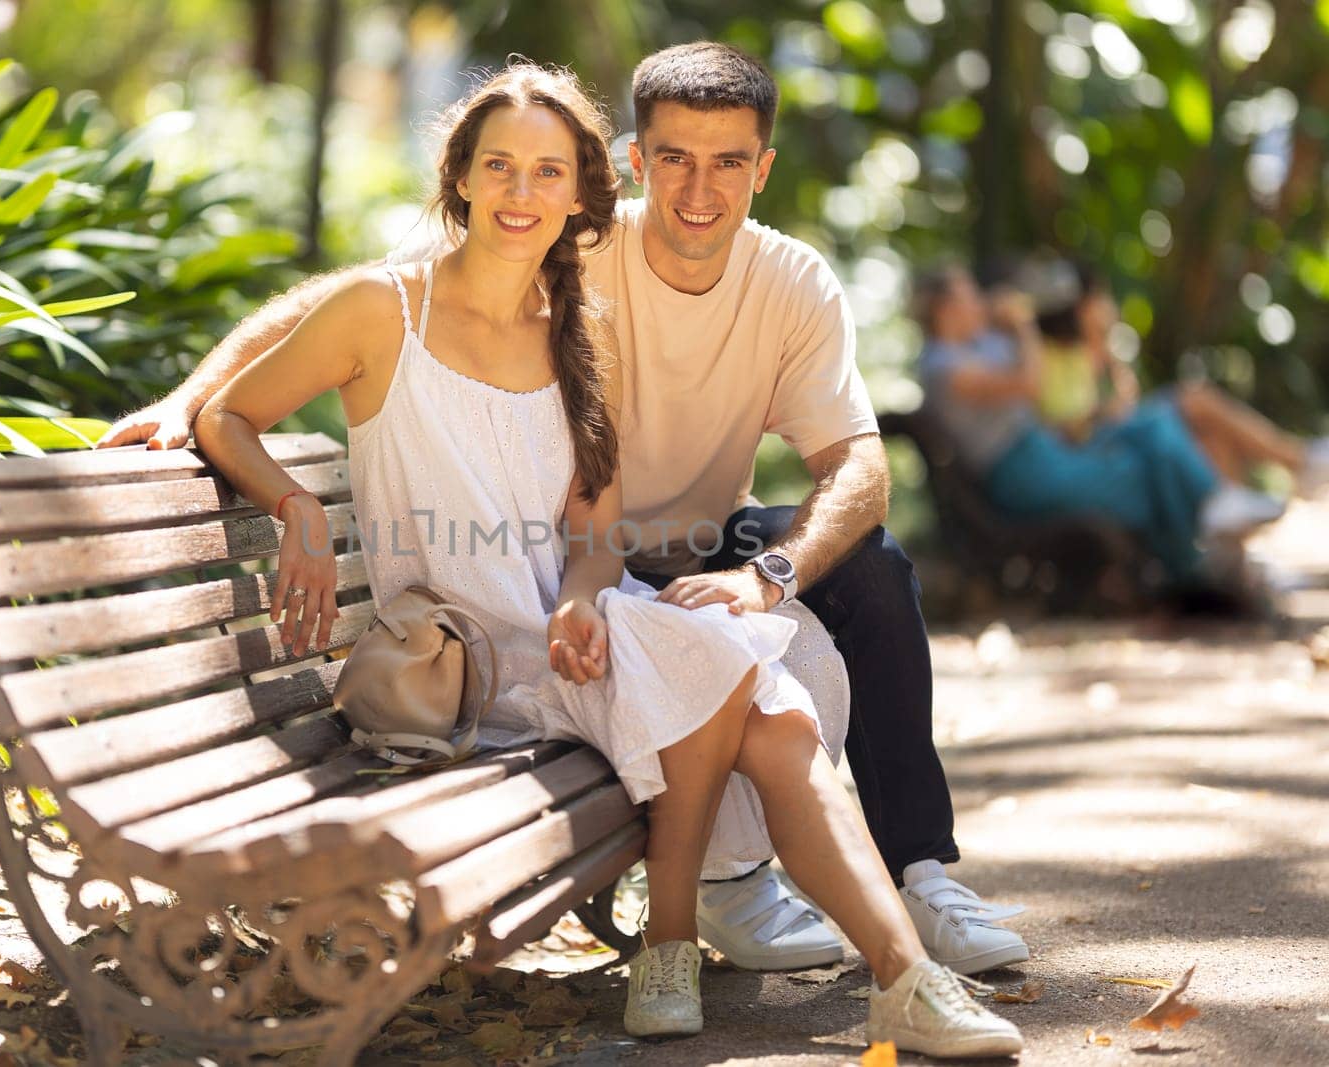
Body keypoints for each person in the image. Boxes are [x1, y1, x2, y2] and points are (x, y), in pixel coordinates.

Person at [101, 43, 1031, 979]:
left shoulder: (789, 281)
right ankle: (728, 887)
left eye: (729, 162)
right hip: (571, 565)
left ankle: (918, 872)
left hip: (693, 544)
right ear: (635, 162)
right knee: (755, 681)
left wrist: (767, 575)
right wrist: (197, 396)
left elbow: (858, 462)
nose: (698, 188)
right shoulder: (563, 240)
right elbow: (349, 299)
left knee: (869, 567)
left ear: (764, 168)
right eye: (674, 157)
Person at [915, 264, 1264, 589]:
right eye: (970, 295)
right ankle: (1194, 558)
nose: (980, 302)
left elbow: (1057, 359)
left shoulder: (978, 346)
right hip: (1019, 473)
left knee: (1156, 426)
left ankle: (1204, 541)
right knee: (1141, 469)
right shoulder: (943, 365)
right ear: (945, 309)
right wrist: (1023, 325)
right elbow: (1030, 384)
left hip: (1042, 452)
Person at [1030, 259, 1328, 501]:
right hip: (1097, 448)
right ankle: (1299, 460)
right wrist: (1098, 415)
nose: (1108, 305)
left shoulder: (1095, 355)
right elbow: (1056, 424)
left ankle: (1228, 550)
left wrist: (1109, 359)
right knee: (1196, 399)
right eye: (1100, 297)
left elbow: (1126, 403)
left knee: (1211, 436)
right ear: (1082, 305)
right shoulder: (1047, 356)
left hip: (1124, 434)